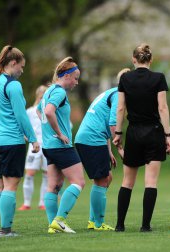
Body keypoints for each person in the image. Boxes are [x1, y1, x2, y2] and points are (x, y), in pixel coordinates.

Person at [112, 43, 170, 232]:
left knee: (126, 182)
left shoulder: (125, 78)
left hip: (133, 133)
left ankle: (120, 225)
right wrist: (168, 135)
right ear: (151, 60)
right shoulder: (158, 78)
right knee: (151, 182)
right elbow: (162, 108)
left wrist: (118, 133)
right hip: (154, 132)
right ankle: (145, 226)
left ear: (133, 60)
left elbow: (120, 108)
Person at [0, 45, 39, 237]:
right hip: (11, 141)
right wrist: (33, 139)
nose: (22, 71)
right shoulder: (13, 85)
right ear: (13, 63)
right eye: (21, 67)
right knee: (10, 186)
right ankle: (6, 230)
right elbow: (21, 116)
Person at [75, 68, 127, 231]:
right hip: (91, 139)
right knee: (102, 180)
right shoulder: (119, 97)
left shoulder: (111, 93)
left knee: (106, 178)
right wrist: (120, 148)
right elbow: (113, 124)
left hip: (90, 138)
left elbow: (102, 123)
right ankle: (98, 223)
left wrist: (109, 151)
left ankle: (93, 220)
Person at [37, 57, 85, 234]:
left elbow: (40, 110)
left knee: (54, 186)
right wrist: (59, 133)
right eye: (75, 78)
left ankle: (52, 225)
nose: (76, 82)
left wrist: (50, 133)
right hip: (60, 146)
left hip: (48, 146)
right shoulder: (59, 92)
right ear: (67, 76)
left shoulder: (48, 91)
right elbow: (49, 112)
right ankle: (59, 219)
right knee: (79, 182)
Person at [18, 85, 48, 211]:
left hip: (48, 145)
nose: (42, 96)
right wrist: (30, 139)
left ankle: (42, 202)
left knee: (47, 174)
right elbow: (23, 127)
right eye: (40, 94)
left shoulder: (50, 110)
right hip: (34, 146)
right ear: (37, 95)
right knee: (29, 173)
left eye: (44, 94)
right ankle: (27, 203)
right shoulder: (30, 111)